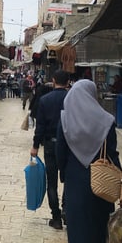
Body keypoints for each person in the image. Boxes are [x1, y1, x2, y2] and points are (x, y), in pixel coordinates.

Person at [56, 78, 122, 243]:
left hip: (76, 189)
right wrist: (120, 181)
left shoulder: (65, 120)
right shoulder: (106, 120)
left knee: (79, 240)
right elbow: (112, 154)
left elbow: (60, 154)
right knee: (101, 237)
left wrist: (67, 174)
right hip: (101, 189)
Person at [30, 69, 69, 230]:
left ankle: (56, 217)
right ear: (68, 82)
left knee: (51, 182)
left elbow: (40, 126)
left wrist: (35, 145)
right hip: (68, 146)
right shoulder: (72, 99)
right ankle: (67, 210)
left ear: (53, 81)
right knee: (69, 180)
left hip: (51, 145)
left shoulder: (45, 100)